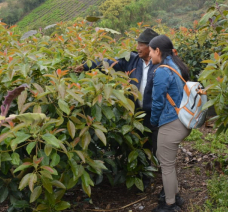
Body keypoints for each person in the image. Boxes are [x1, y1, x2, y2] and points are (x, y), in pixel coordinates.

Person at [74, 28, 160, 157]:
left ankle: (158, 166)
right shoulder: (132, 59)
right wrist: (86, 65)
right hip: (136, 112)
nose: (137, 48)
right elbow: (109, 63)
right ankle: (145, 171)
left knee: (157, 144)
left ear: (151, 47)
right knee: (140, 143)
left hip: (155, 113)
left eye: (141, 45)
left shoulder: (161, 63)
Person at [148, 35, 191, 212]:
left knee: (166, 165)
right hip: (182, 121)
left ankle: (170, 204)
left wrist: (153, 123)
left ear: (158, 51)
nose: (150, 55)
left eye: (150, 51)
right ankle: (176, 196)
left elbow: (157, 102)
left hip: (171, 122)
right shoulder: (176, 66)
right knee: (169, 162)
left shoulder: (162, 71)